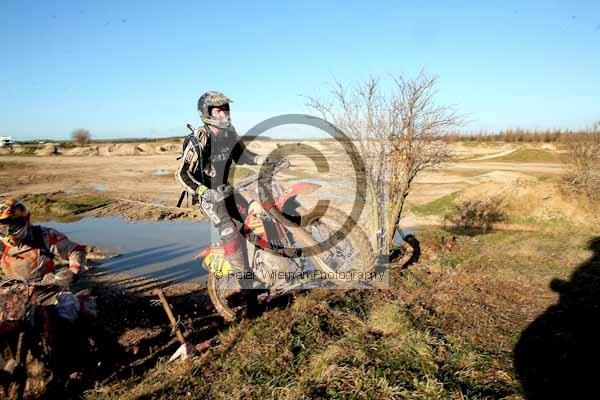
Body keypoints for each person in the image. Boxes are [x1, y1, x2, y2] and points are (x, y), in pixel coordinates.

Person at [176, 91, 277, 294]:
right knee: (229, 230)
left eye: (225, 110)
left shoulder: (229, 132)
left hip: (227, 190)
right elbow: (182, 174)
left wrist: (264, 160)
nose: (223, 114)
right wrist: (205, 191)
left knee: (252, 221)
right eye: (218, 111)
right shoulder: (199, 140)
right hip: (208, 197)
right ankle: (244, 283)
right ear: (207, 112)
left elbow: (243, 156)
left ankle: (261, 266)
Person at [0, 198, 85, 286]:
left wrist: (74, 271)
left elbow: (74, 250)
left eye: (13, 225)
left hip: (46, 288)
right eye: (3, 227)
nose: (8, 230)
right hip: (12, 290)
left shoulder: (44, 235)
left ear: (25, 220)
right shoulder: (1, 243)